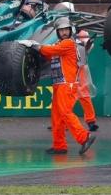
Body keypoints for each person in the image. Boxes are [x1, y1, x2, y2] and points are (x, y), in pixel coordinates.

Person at [30, 17, 96, 155]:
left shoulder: (67, 44)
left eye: (66, 30)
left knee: (65, 113)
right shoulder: (59, 45)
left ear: (71, 31)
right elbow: (50, 54)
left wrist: (35, 46)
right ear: (58, 32)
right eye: (62, 30)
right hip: (60, 84)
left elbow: (48, 52)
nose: (64, 32)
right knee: (57, 116)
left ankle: (85, 137)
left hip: (67, 84)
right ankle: (59, 145)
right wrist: (40, 48)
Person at [75, 29, 99, 132]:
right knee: (64, 98)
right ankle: (60, 121)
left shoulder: (81, 34)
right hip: (67, 70)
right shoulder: (62, 32)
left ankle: (91, 121)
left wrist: (87, 43)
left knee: (84, 96)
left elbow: (88, 46)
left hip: (80, 70)